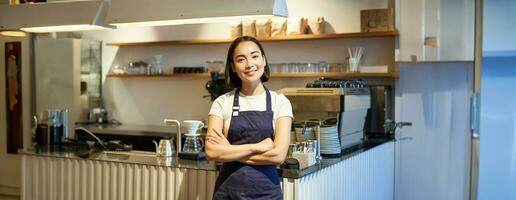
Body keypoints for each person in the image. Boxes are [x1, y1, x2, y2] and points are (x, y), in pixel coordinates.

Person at [206, 36, 293, 199]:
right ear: (233, 67)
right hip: (228, 193)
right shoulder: (222, 102)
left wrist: (229, 150)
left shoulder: (280, 102)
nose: (249, 64)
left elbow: (278, 156)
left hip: (267, 194)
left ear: (264, 60)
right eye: (241, 59)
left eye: (255, 56)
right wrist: (256, 147)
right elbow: (212, 152)